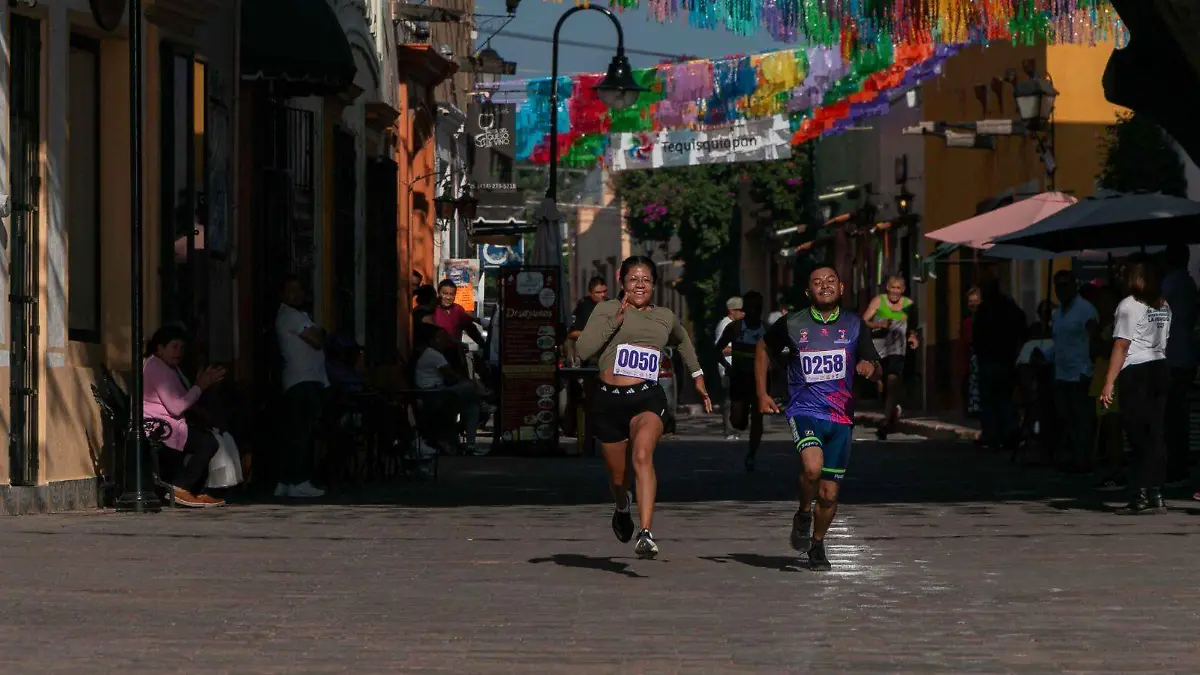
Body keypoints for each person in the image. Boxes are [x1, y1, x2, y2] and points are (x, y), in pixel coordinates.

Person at [576, 255, 712, 559]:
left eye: (646, 280)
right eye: (633, 279)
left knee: (642, 455)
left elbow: (683, 341)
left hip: (647, 398)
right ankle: (622, 506)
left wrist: (698, 376)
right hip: (609, 400)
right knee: (617, 477)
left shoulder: (664, 316)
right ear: (621, 282)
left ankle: (647, 532)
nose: (640, 285)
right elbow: (583, 350)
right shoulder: (607, 309)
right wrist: (617, 320)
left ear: (654, 285)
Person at [756, 266, 881, 571]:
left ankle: (817, 543)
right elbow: (763, 348)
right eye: (817, 282)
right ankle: (802, 511)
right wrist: (762, 393)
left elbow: (875, 364)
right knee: (811, 469)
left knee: (829, 493)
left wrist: (870, 368)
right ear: (808, 292)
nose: (824, 285)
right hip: (805, 410)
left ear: (841, 287)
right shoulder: (793, 322)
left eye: (830, 281)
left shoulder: (855, 325)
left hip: (840, 418)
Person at [1101, 256, 1172, 515]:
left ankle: (1140, 493)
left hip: (1137, 371)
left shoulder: (1128, 306)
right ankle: (1157, 491)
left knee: (1137, 433)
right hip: (1160, 366)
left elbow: (1121, 345)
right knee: (1156, 433)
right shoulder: (1163, 305)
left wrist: (1108, 382)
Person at [142, 326, 229, 507]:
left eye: (181, 348)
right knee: (207, 442)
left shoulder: (170, 368)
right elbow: (176, 407)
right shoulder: (155, 367)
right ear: (160, 349)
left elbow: (185, 398)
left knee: (210, 436)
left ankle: (194, 490)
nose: (179, 352)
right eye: (174, 347)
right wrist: (200, 385)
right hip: (160, 428)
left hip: (171, 425)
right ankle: (181, 487)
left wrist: (200, 386)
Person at [274, 276, 328, 499]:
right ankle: (299, 480)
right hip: (301, 381)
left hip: (306, 379)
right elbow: (317, 339)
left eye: (299, 290)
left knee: (297, 432)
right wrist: (321, 332)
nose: (296, 295)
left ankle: (287, 480)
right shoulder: (290, 316)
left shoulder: (297, 316)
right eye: (291, 290)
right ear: (283, 294)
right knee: (302, 433)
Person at [1046, 270, 1099, 473]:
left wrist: (1089, 369)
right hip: (1061, 373)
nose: (1061, 290)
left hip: (1080, 373)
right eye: (1057, 286)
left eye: (1065, 285)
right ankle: (1072, 457)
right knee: (1066, 418)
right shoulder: (1058, 313)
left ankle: (1084, 459)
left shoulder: (1085, 310)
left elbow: (1093, 340)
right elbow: (1058, 341)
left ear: (1073, 286)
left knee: (1082, 419)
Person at [716, 290, 768, 471]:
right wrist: (727, 366)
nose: (754, 311)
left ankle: (752, 454)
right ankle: (740, 422)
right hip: (739, 379)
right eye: (751, 308)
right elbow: (716, 350)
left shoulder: (766, 329)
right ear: (745, 309)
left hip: (759, 382)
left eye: (758, 308)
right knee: (738, 421)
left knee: (758, 418)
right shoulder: (735, 328)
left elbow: (777, 354)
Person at [413, 328, 486, 456]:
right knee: (468, 386)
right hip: (433, 394)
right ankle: (483, 398)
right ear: (432, 341)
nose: (444, 341)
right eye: (440, 338)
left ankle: (470, 444)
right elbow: (452, 376)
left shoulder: (437, 354)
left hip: (440, 391)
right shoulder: (433, 355)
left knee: (472, 408)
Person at [972, 279, 1027, 449]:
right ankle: (1008, 433)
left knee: (990, 400)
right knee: (1005, 398)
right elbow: (1022, 324)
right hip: (1006, 359)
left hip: (991, 360)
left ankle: (993, 435)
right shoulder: (1010, 308)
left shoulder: (984, 310)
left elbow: (977, 335)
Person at [863, 276, 919, 440]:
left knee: (893, 381)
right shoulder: (878, 302)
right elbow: (864, 320)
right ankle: (892, 411)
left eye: (898, 288)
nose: (895, 291)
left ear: (903, 290)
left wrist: (913, 337)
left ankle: (886, 423)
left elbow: (913, 326)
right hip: (879, 350)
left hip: (897, 350)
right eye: (892, 287)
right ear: (887, 288)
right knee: (883, 387)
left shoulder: (909, 305)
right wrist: (879, 325)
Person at [1161, 244, 1197, 486]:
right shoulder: (1190, 283)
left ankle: (1174, 464)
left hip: (1172, 354)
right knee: (1179, 413)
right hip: (1186, 353)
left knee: (1171, 414)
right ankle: (1178, 462)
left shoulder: (1172, 282)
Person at [714, 296, 745, 440]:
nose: (744, 313)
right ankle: (730, 430)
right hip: (728, 368)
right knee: (729, 400)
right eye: (741, 310)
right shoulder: (724, 325)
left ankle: (736, 428)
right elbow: (721, 349)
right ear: (732, 311)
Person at [962, 287, 982, 416]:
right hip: (970, 356)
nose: (973, 304)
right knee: (972, 382)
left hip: (982, 354)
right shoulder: (967, 321)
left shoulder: (985, 318)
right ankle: (973, 408)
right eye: (970, 301)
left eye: (975, 300)